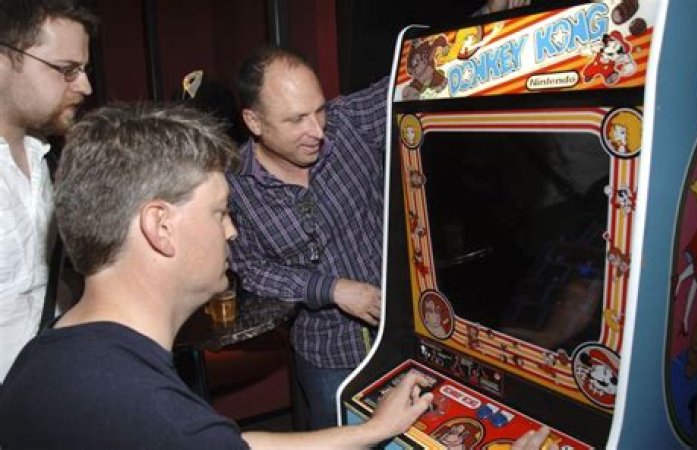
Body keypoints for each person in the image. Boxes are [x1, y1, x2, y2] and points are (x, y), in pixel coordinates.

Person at [0, 102, 435, 449]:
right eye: (220, 212)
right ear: (160, 228)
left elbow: (230, 442)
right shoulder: (156, 418)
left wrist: (369, 431)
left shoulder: (47, 354)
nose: (231, 231)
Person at [227, 45, 387, 429]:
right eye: (297, 119)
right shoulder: (234, 188)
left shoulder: (349, 123)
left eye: (319, 110)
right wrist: (330, 289)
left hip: (402, 338)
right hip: (328, 356)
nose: (317, 131)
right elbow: (251, 269)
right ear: (254, 121)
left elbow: (419, 76)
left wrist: (489, 25)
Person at [0, 0, 96, 383]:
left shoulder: (51, 160)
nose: (85, 86)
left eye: (84, 70)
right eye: (66, 70)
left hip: (53, 390)